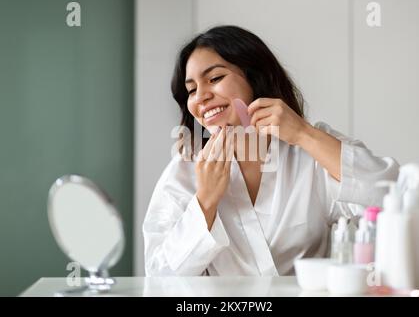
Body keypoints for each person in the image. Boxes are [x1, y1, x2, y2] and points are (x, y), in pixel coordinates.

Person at [143, 25, 399, 276]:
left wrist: (303, 133)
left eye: (215, 78)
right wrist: (205, 202)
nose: (200, 97)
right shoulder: (185, 169)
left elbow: (390, 196)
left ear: (255, 77)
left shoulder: (310, 151)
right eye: (191, 90)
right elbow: (159, 276)